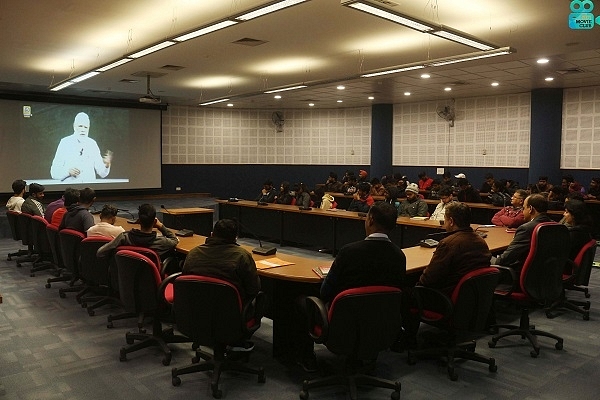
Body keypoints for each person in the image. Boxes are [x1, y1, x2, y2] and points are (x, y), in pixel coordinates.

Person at [418, 202, 492, 296]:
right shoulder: (481, 241)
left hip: (445, 297)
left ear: (451, 221)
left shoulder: (448, 243)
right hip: (470, 297)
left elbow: (427, 279)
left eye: (445, 219)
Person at [182, 219, 260, 305]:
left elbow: (185, 280)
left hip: (195, 309)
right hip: (229, 312)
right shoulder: (242, 256)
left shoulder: (193, 253)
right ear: (235, 239)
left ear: (211, 234)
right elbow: (253, 289)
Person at [492, 194, 554, 271]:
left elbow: (504, 259)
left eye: (524, 208)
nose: (522, 211)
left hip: (521, 273)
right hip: (548, 274)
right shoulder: (556, 225)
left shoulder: (526, 229)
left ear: (530, 209)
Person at [97, 203, 179, 259]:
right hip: (151, 281)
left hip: (125, 279)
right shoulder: (161, 241)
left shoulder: (124, 237)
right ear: (154, 222)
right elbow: (174, 239)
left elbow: (100, 252)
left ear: (138, 220)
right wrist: (161, 226)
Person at [50, 112, 112, 183]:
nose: (83, 130)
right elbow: (54, 172)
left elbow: (102, 173)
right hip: (70, 190)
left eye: (86, 127)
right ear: (74, 126)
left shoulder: (92, 144)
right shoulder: (65, 142)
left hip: (88, 190)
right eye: (80, 126)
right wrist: (68, 172)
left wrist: (107, 165)